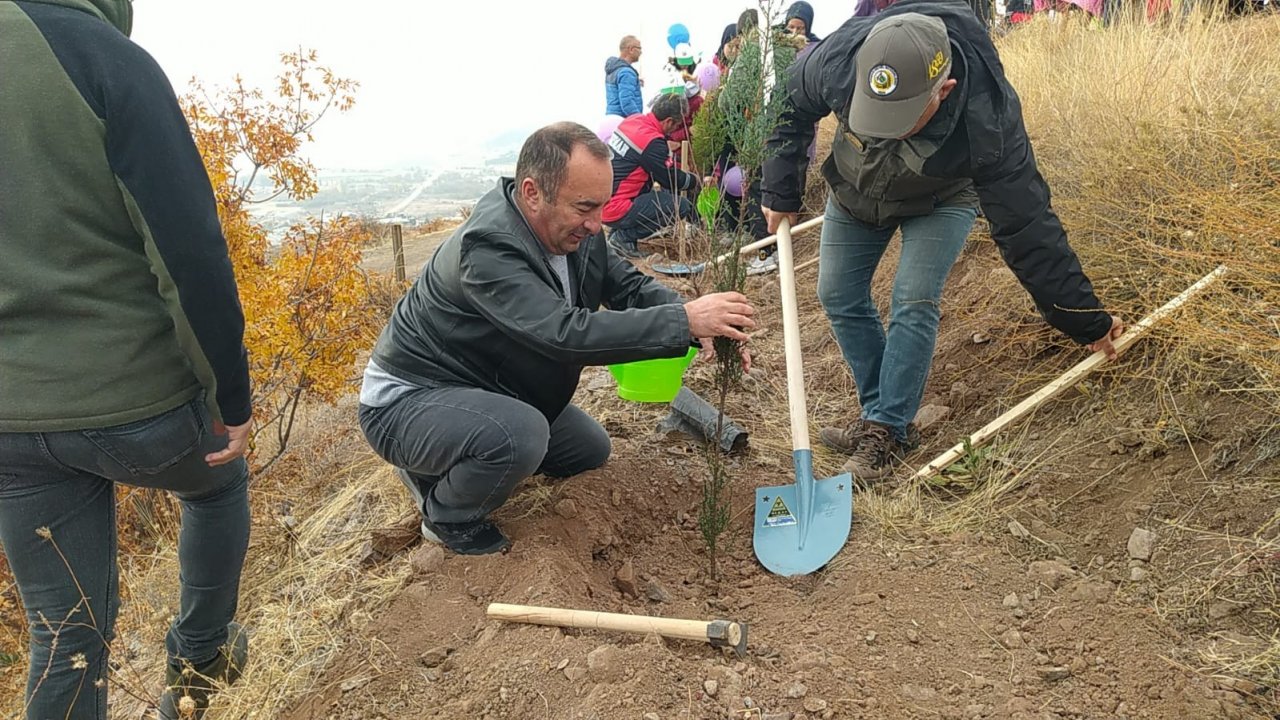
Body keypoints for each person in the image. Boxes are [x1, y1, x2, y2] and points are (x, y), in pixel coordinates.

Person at [0, 1, 255, 718]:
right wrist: (229, 399)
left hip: (11, 424)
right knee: (218, 479)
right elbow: (190, 253)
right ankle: (199, 655)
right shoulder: (100, 54)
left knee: (66, 640)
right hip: (135, 407)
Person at [761, 2, 1125, 481]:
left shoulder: (988, 118)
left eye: (901, 119)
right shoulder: (839, 56)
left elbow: (1028, 226)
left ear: (944, 90)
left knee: (913, 296)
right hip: (854, 187)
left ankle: (885, 430)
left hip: (943, 196)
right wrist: (780, 190)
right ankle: (879, 414)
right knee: (837, 294)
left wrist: (1083, 319)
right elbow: (787, 104)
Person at [359, 122, 755, 556]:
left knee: (588, 450)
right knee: (520, 437)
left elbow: (628, 288)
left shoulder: (573, 232)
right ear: (532, 193)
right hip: (408, 399)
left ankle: (474, 446)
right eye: (584, 208)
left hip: (488, 382)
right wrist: (683, 320)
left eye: (601, 207)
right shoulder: (487, 249)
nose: (595, 223)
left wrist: (706, 325)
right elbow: (562, 334)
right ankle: (445, 511)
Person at [602, 94, 709, 257]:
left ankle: (618, 236)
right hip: (618, 207)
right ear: (668, 121)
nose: (675, 130)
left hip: (603, 201)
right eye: (677, 125)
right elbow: (670, 180)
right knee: (681, 207)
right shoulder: (652, 142)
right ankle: (623, 238)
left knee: (640, 187)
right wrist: (694, 180)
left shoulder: (632, 121)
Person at [605, 35, 644, 118]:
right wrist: (640, 120)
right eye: (639, 48)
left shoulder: (613, 69)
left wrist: (635, 83)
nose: (641, 52)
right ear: (631, 49)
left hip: (611, 118)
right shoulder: (627, 73)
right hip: (622, 121)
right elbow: (627, 102)